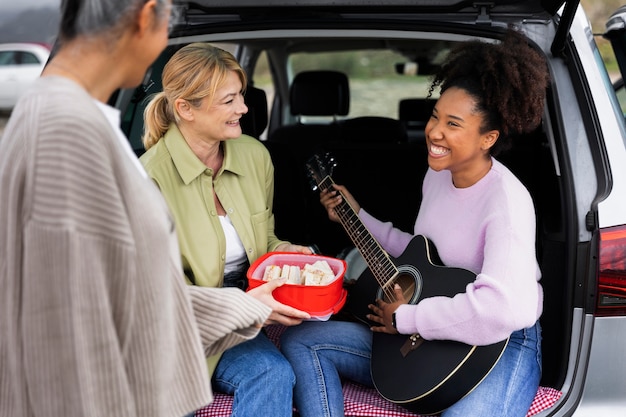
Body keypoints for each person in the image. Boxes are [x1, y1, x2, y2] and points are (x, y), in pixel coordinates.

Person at [0, 1, 298, 417]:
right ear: (147, 15)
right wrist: (246, 306)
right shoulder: (64, 133)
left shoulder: (62, 117)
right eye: (170, 25)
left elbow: (129, 293)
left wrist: (252, 300)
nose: (167, 45)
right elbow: (66, 328)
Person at [280, 28, 550, 417]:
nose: (434, 132)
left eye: (453, 125)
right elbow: (423, 254)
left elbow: (500, 310)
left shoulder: (506, 202)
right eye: (435, 116)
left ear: (488, 138)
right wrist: (355, 216)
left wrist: (407, 318)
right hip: (429, 324)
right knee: (303, 341)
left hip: (501, 341)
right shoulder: (438, 175)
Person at [140, 42, 312, 417]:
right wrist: (246, 308)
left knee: (271, 373)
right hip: (177, 326)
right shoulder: (146, 179)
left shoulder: (255, 156)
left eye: (242, 96)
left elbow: (262, 242)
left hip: (243, 319)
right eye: (229, 100)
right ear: (185, 108)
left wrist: (285, 254)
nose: (244, 109)